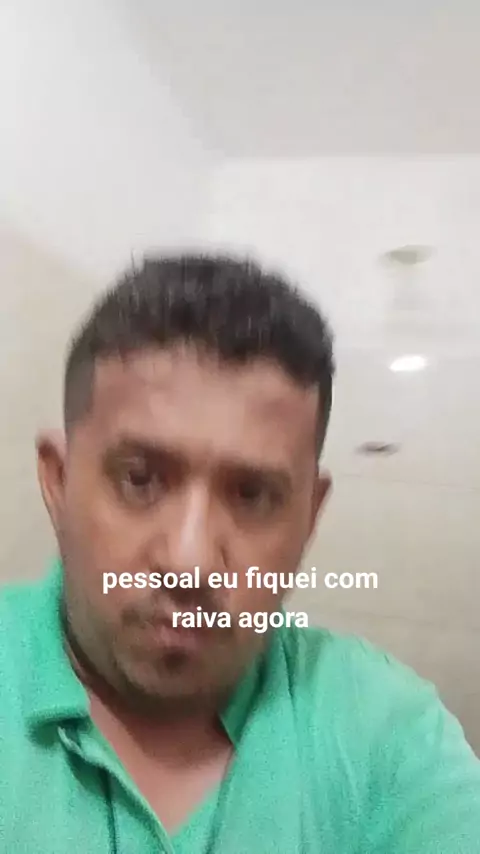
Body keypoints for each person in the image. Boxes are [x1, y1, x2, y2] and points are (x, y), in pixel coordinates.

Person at [1, 254, 479, 854]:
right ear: (58, 481)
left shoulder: (386, 731)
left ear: (309, 516)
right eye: (139, 479)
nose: (190, 562)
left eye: (252, 495)